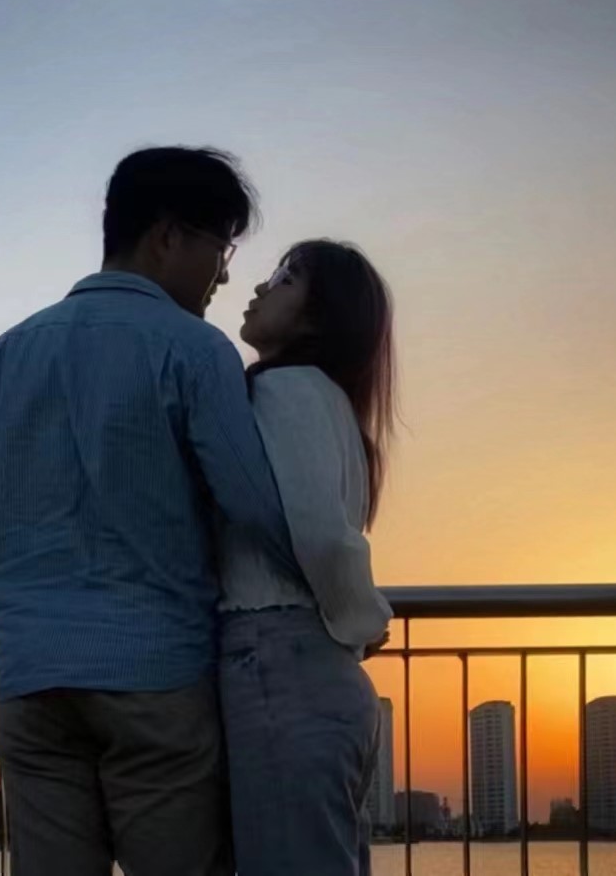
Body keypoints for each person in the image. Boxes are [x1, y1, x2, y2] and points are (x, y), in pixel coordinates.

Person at [0, 146, 297, 876]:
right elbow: (255, 507)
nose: (224, 274)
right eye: (221, 248)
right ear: (168, 235)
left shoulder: (9, 351)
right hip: (156, 674)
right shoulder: (195, 349)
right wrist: (336, 589)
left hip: (30, 678)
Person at [219, 239, 398, 876]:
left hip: (278, 667)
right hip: (315, 675)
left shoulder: (287, 389)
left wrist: (362, 616)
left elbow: (321, 534)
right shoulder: (331, 402)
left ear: (320, 318)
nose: (261, 288)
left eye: (286, 280)